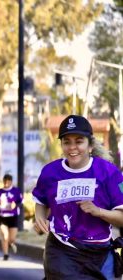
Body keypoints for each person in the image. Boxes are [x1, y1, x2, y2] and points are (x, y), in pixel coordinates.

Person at [32, 115, 123, 279]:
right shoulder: (50, 172)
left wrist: (98, 211)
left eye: (79, 141)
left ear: (90, 145)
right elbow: (41, 201)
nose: (72, 147)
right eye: (67, 142)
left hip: (100, 252)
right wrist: (40, 219)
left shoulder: (109, 173)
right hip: (62, 249)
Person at [0, 174, 23, 261]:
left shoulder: (16, 191)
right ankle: (6, 254)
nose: (6, 183)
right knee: (5, 236)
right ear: (3, 181)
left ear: (11, 181)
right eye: (5, 181)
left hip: (13, 216)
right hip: (2, 216)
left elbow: (20, 202)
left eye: (8, 181)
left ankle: (11, 243)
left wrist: (15, 205)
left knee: (12, 238)